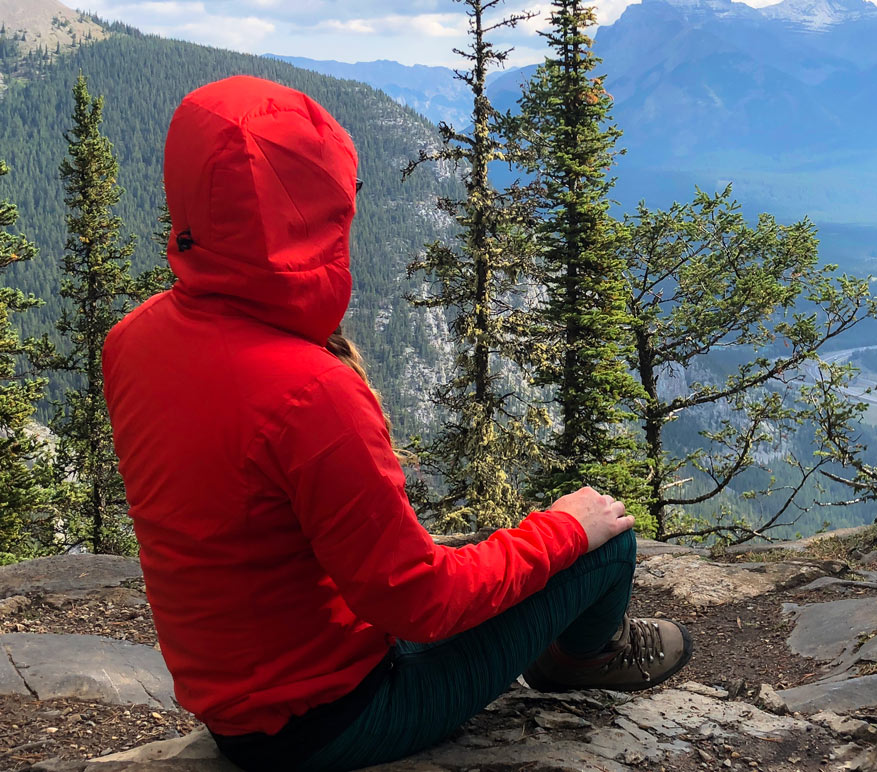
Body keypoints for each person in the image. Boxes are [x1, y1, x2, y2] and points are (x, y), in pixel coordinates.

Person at [102, 75, 693, 772]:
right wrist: (566, 528)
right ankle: (581, 660)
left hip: (238, 700)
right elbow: (423, 604)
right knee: (605, 538)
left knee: (496, 546)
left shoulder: (133, 340)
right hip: (336, 719)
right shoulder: (310, 390)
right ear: (314, 211)